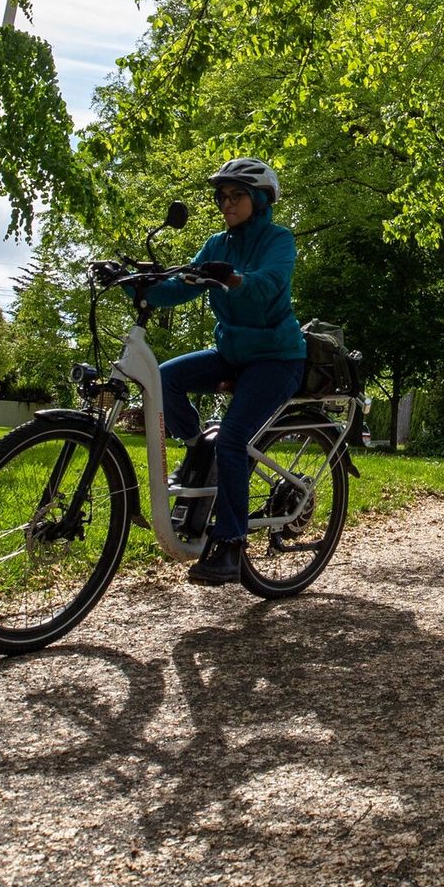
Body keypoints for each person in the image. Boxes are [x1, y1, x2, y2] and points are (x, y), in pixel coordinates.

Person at [141, 157, 306, 585]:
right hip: (232, 352)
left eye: (236, 196)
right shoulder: (217, 243)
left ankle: (230, 544)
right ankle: (197, 443)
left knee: (233, 440)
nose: (226, 204)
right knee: (163, 379)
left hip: (276, 358)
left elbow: (270, 282)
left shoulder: (279, 240)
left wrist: (235, 280)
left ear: (259, 200)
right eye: (222, 197)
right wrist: (140, 285)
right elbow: (181, 286)